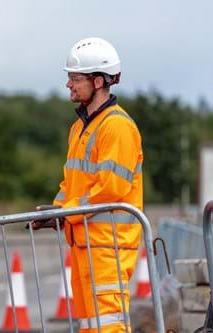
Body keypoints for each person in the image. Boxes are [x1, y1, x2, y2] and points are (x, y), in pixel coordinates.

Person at [31, 37, 143, 332]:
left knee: (108, 324)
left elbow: (110, 190)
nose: (69, 84)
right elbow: (72, 184)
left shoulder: (116, 126)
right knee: (91, 325)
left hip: (109, 246)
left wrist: (64, 213)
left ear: (97, 81)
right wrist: (55, 212)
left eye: (74, 78)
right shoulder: (79, 127)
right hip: (85, 243)